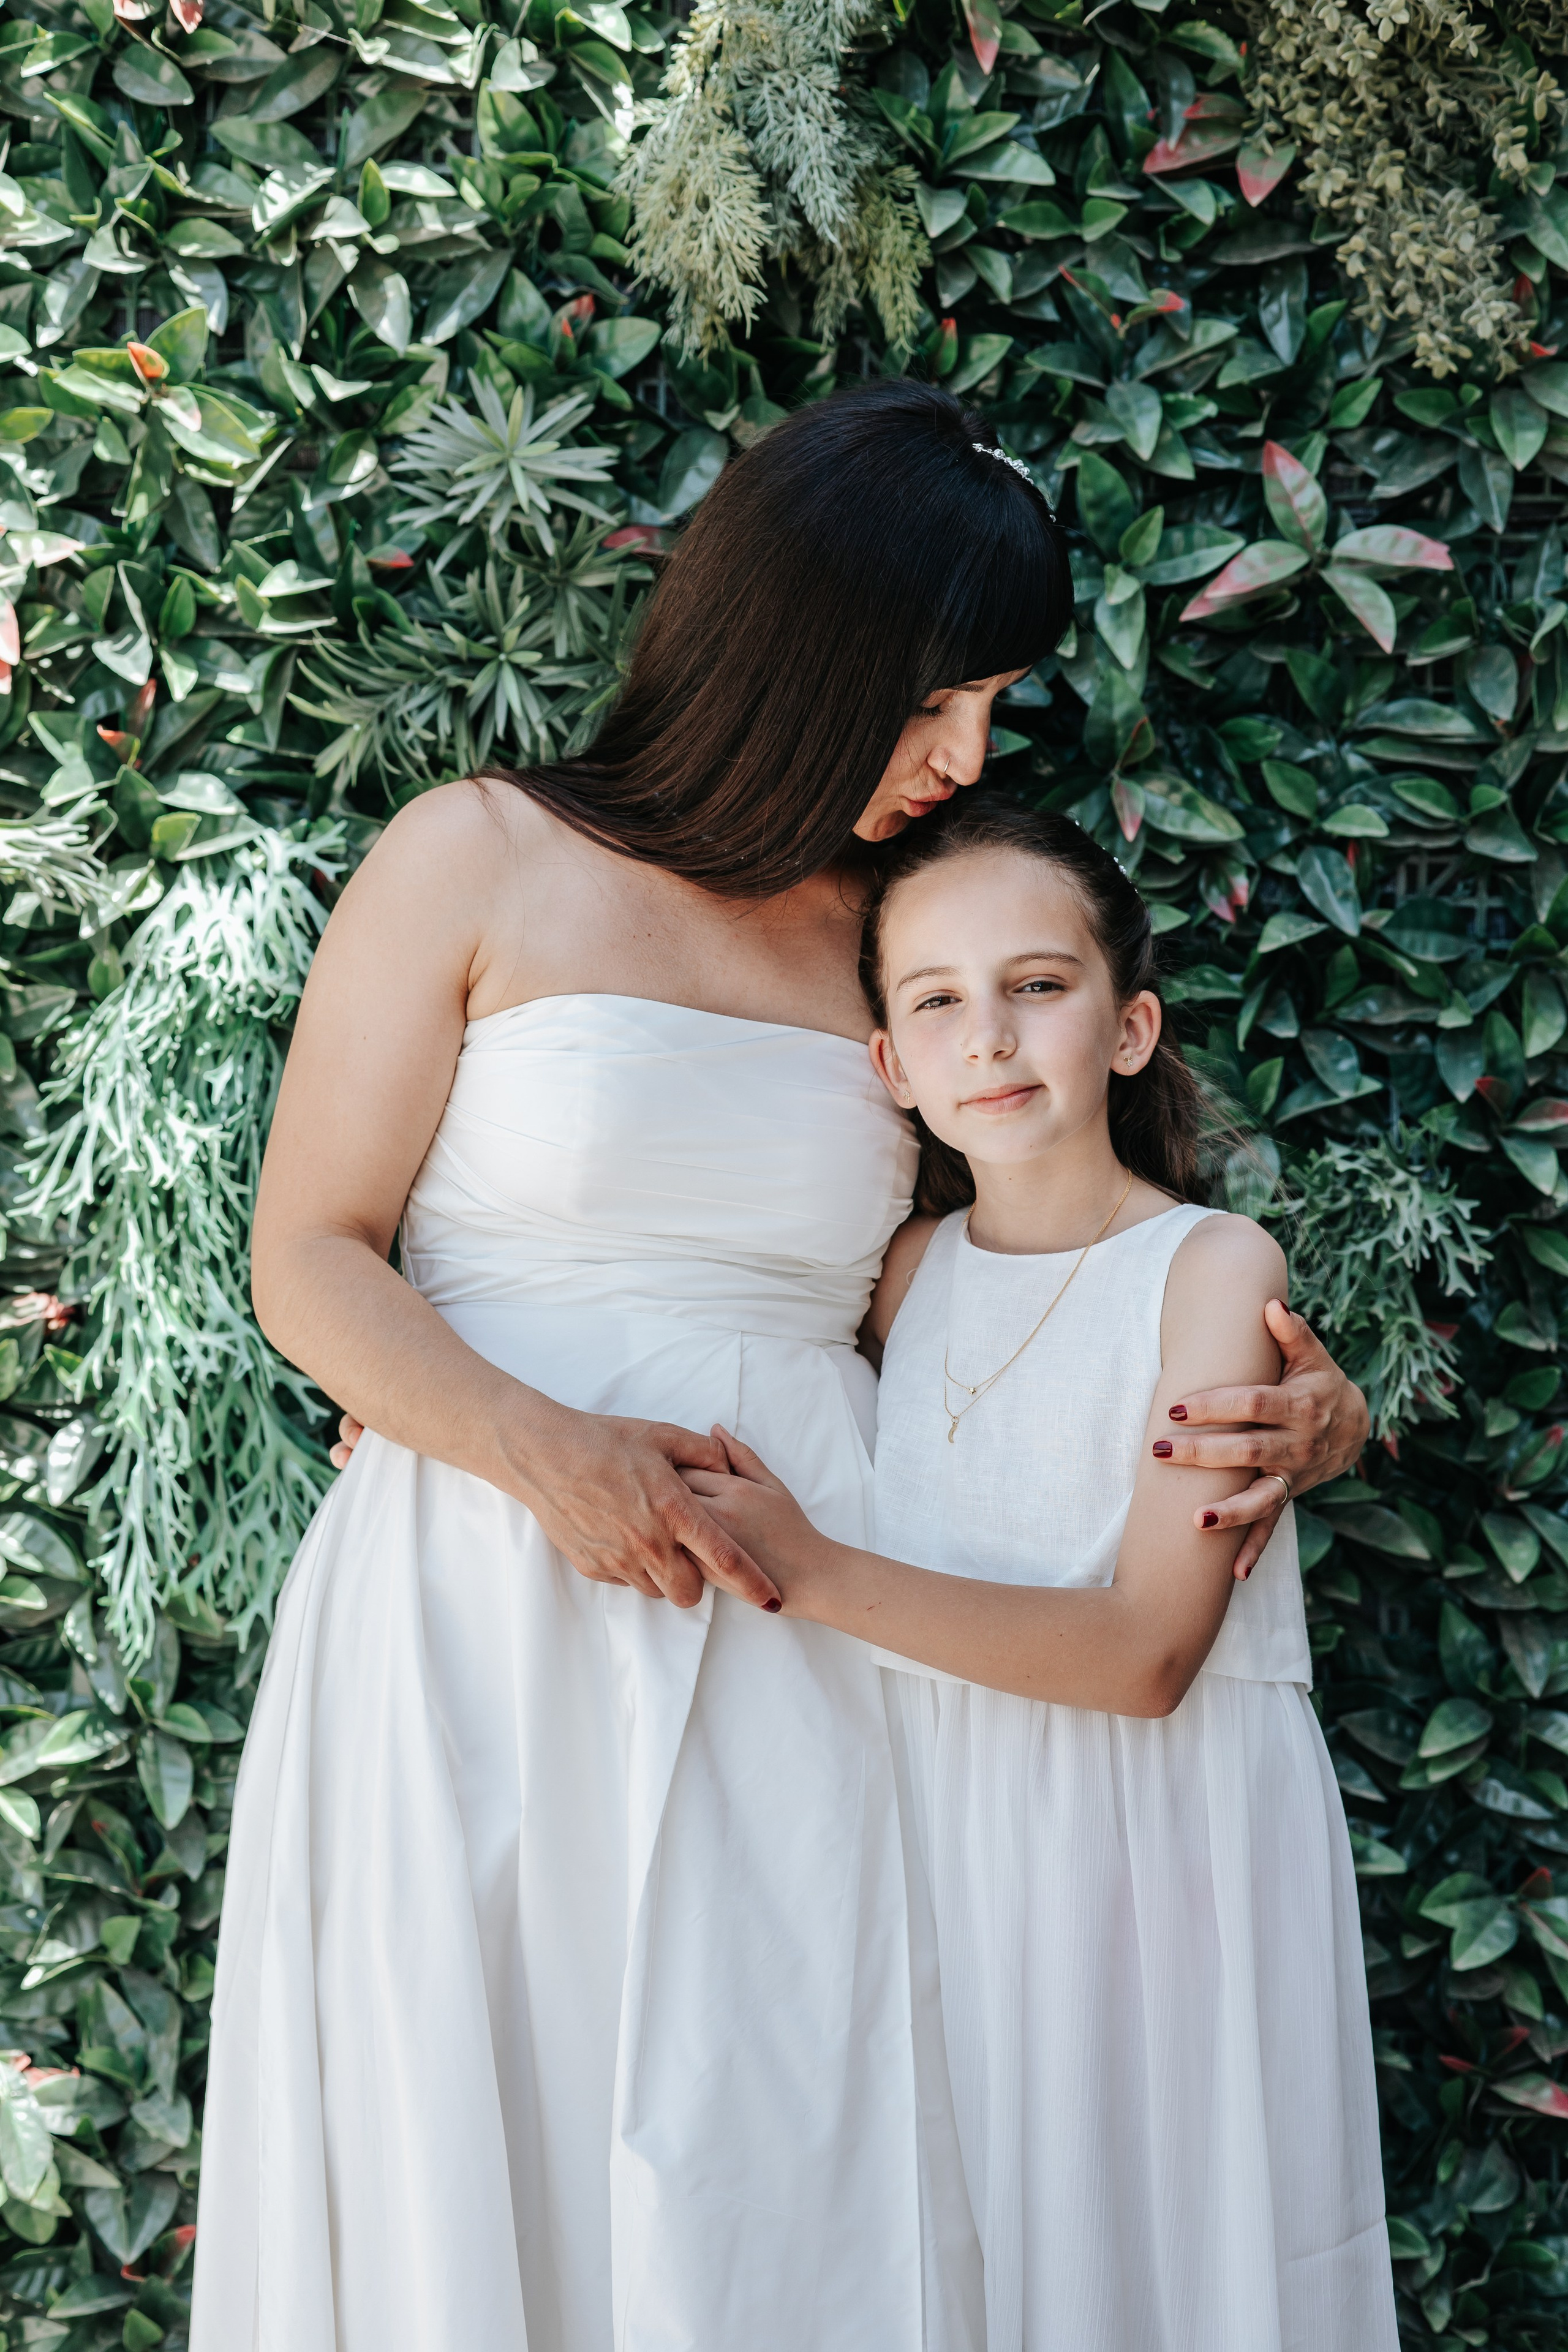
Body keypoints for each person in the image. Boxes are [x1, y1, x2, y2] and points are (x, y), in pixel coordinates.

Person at [192, 382, 1371, 2352]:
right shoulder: (477, 857)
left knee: (793, 2179)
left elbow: (1057, 1248)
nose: (966, 753)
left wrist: (1301, 1407)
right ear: (797, 641)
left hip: (813, 1610)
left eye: (993, 704)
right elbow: (308, 1255)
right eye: (936, 700)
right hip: (483, 1591)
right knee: (480, 2142)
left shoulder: (905, 942)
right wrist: (537, 1447)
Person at [682, 798, 1398, 2352]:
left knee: (1158, 2260)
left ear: (1127, 1027)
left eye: (1038, 986)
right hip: (943, 1839)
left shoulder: (1212, 1270)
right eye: (934, 1000)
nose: (988, 1037)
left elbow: (1146, 1657)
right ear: (888, 1065)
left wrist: (807, 1568)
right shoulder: (906, 1275)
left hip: (1156, 1862)